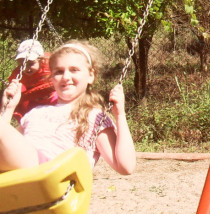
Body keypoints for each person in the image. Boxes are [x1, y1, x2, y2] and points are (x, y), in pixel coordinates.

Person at [0, 41, 135, 175]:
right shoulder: (36, 113)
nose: (65, 77)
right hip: (19, 177)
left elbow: (125, 167)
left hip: (52, 176)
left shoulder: (95, 117)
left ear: (91, 75)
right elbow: (6, 146)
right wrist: (8, 109)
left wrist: (120, 115)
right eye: (59, 72)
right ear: (51, 78)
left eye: (74, 70)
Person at [6, 39, 57, 122]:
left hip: (52, 98)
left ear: (41, 60)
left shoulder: (49, 66)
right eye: (22, 65)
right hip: (34, 101)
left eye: (31, 64)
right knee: (30, 117)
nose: (26, 69)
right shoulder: (19, 74)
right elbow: (20, 88)